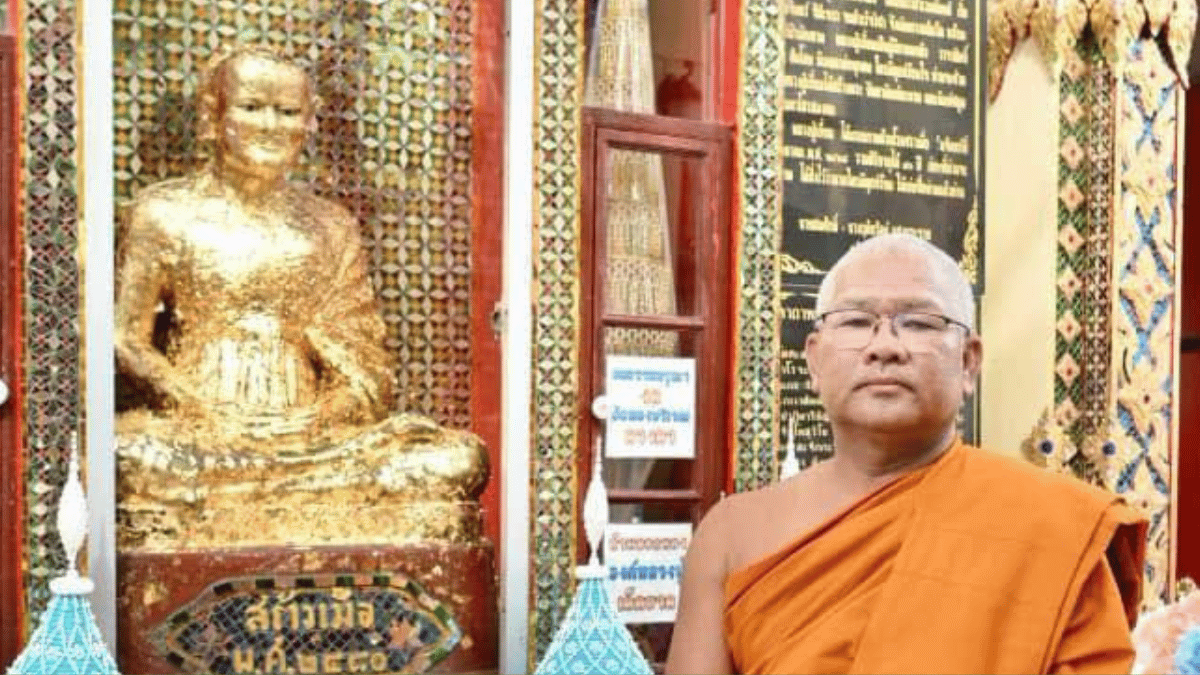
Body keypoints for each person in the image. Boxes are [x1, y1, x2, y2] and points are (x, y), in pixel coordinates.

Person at [665, 233, 1147, 674]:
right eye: (856, 321)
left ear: (968, 362)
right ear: (813, 360)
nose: (884, 347)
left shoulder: (1051, 529)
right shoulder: (732, 536)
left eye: (918, 323)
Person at [113, 47, 487, 549]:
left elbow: (362, 360)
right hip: (201, 435)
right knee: (128, 458)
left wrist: (320, 418)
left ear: (308, 124)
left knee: (457, 460)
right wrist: (202, 411)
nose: (271, 125)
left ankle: (276, 492)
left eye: (288, 112)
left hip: (312, 439)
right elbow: (126, 340)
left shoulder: (331, 226)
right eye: (252, 107)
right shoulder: (162, 213)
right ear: (213, 116)